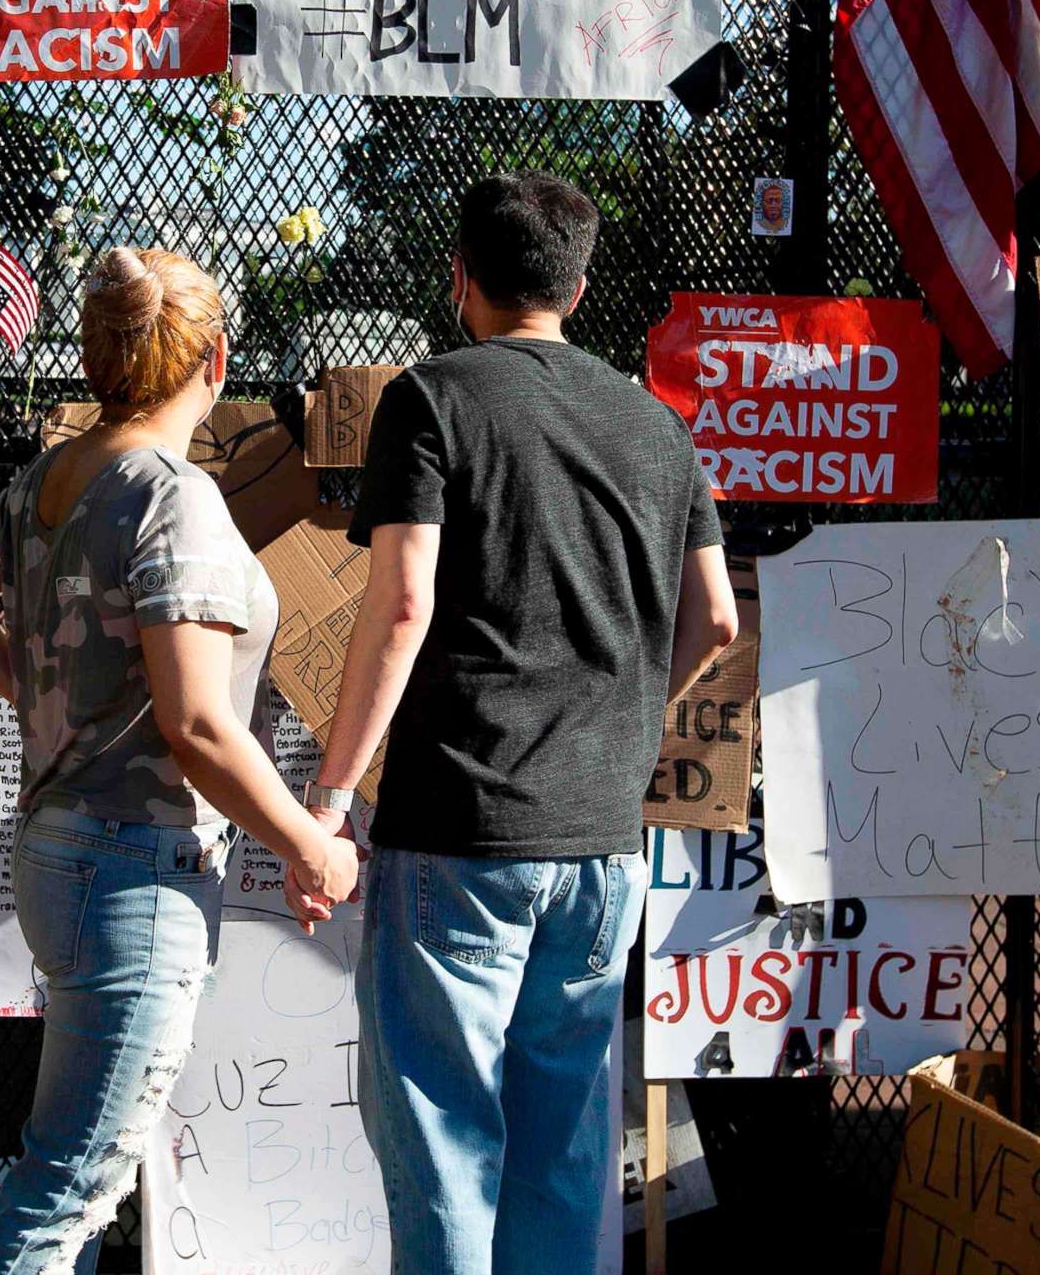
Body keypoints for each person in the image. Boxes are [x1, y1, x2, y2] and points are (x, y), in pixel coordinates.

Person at [305, 171, 739, 1274]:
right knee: (562, 1148)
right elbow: (717, 620)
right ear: (580, 288)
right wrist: (627, 729)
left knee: (446, 1137)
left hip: (459, 825)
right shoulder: (659, 428)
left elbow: (402, 603)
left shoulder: (433, 398)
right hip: (602, 841)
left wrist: (331, 794)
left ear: (462, 278)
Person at [0, 247, 359, 1275]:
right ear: (214, 361)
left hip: (62, 846)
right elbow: (199, 726)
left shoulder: (51, 479)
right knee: (71, 1184)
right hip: (133, 865)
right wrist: (308, 844)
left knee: (76, 1171)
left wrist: (41, 694)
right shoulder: (174, 496)